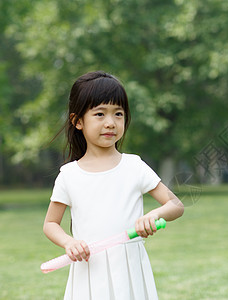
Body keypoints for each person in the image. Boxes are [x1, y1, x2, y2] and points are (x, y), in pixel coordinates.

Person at [43, 71, 184, 299]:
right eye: (99, 114)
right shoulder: (69, 175)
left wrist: (155, 215)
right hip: (89, 269)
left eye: (118, 114)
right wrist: (69, 243)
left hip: (129, 270)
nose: (110, 123)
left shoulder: (134, 166)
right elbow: (50, 223)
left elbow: (175, 205)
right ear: (77, 121)